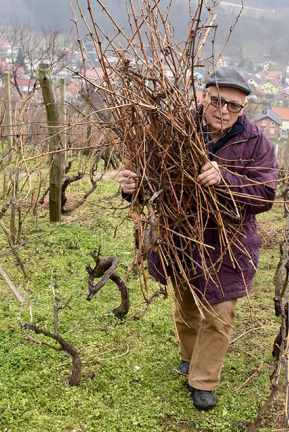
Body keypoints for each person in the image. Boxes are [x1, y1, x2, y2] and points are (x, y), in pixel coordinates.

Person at [118, 67, 278, 410]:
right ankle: (190, 359)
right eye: (217, 101)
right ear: (204, 96)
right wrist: (132, 189)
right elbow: (152, 181)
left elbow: (266, 194)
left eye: (233, 106)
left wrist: (226, 179)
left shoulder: (256, 142)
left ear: (243, 108)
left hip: (228, 243)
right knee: (187, 306)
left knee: (219, 313)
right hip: (179, 236)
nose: (224, 111)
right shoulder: (174, 131)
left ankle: (204, 381)